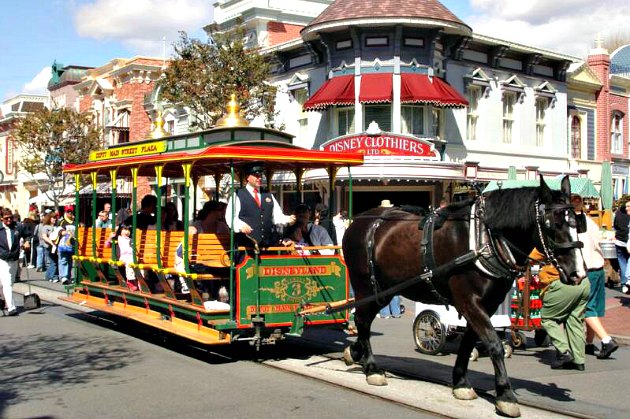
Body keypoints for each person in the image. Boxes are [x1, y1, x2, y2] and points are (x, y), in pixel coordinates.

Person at [572, 194, 619, 359]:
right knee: (595, 308)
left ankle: (607, 340)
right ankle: (589, 344)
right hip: (599, 269)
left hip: (587, 271)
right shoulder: (590, 221)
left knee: (587, 309)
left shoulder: (575, 225)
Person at [532, 248, 590, 370]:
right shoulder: (571, 239)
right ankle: (578, 360)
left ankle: (564, 351)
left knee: (547, 319)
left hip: (562, 282)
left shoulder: (547, 242)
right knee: (574, 320)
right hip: (583, 281)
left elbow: (530, 257)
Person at [225, 164, 295, 248]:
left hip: (267, 246)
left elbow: (277, 216)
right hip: (245, 246)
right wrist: (241, 226)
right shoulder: (238, 195)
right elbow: (230, 217)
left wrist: (288, 219)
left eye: (260, 175)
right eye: (256, 175)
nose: (259, 178)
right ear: (247, 177)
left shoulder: (268, 195)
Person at [0, 208, 31, 316]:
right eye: (6, 218)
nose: (9, 220)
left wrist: (27, 242)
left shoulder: (18, 226)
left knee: (9, 282)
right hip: (2, 258)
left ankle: (2, 299)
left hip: (14, 258)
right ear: (1, 218)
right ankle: (11, 307)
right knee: (7, 283)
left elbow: (27, 234)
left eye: (11, 217)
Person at [378, 199, 401, 318]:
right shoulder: (395, 221)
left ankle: (385, 312)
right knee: (395, 286)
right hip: (396, 256)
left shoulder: (381, 223)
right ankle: (396, 312)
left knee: (384, 285)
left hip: (386, 256)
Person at [613, 200, 630, 292]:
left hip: (620, 240)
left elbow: (615, 225)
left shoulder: (618, 212)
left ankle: (625, 284)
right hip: (625, 241)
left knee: (623, 263)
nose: (627, 208)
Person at [57, 205, 76, 285]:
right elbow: (57, 230)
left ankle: (68, 276)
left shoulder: (75, 222)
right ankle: (63, 277)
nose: (69, 213)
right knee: (63, 260)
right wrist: (63, 232)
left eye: (71, 211)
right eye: (68, 211)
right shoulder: (62, 221)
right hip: (63, 245)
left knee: (70, 261)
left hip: (71, 244)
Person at [40, 212, 59, 283]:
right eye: (53, 218)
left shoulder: (56, 227)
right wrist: (51, 243)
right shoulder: (46, 227)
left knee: (54, 262)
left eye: (55, 218)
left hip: (55, 247)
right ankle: (53, 276)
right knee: (53, 262)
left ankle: (48, 276)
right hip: (48, 247)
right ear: (49, 218)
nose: (55, 219)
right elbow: (44, 236)